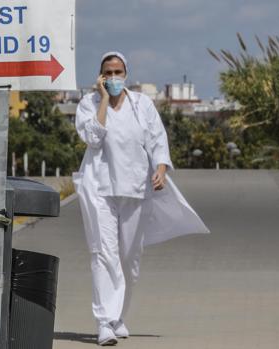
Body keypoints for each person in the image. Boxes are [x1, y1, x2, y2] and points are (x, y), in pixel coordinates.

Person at [72, 51, 210, 346]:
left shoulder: (142, 104)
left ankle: (119, 315)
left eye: (118, 72)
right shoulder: (89, 104)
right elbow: (93, 139)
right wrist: (105, 101)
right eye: (107, 73)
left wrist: (160, 169)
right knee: (103, 254)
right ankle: (104, 323)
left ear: (126, 74)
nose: (113, 78)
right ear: (99, 76)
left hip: (136, 188)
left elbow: (157, 139)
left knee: (129, 258)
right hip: (99, 189)